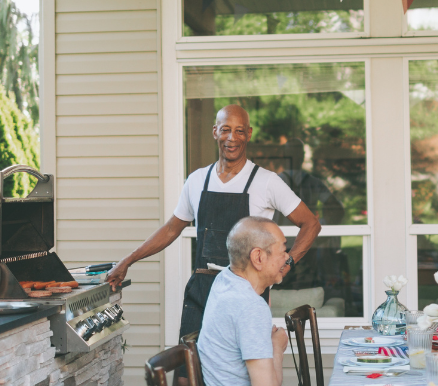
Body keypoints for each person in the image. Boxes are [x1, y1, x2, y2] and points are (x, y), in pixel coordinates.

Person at [106, 104, 321, 342]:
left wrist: (286, 264)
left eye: (239, 131)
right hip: (202, 292)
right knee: (188, 376)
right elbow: (170, 229)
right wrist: (128, 260)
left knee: (240, 374)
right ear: (215, 132)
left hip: (245, 292)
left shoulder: (267, 182)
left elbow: (311, 224)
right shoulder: (197, 180)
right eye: (226, 129)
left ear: (248, 134)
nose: (232, 138)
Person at [197, 216, 318, 386]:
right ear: (258, 257)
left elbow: (236, 378)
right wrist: (277, 347)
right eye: (283, 250)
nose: (287, 258)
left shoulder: (225, 281)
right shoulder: (249, 306)